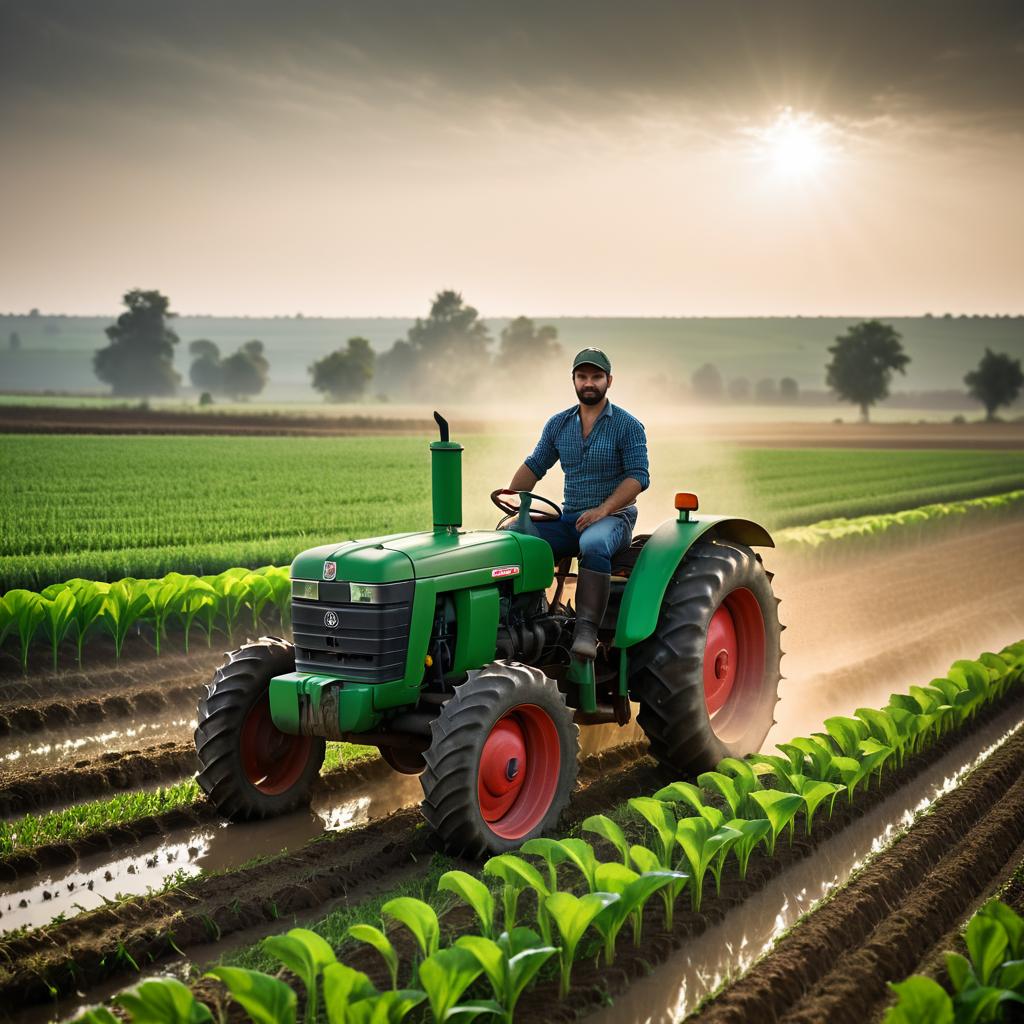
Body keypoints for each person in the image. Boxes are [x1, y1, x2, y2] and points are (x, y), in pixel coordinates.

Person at [506, 347, 650, 659]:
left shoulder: (627, 425)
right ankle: (526, 619)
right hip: (570, 518)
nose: (589, 382)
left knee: (594, 543)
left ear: (608, 381)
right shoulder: (559, 424)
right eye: (582, 376)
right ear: (573, 380)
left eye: (596, 376)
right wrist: (511, 498)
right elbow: (534, 466)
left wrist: (603, 510)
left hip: (613, 519)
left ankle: (586, 631)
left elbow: (639, 477)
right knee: (516, 537)